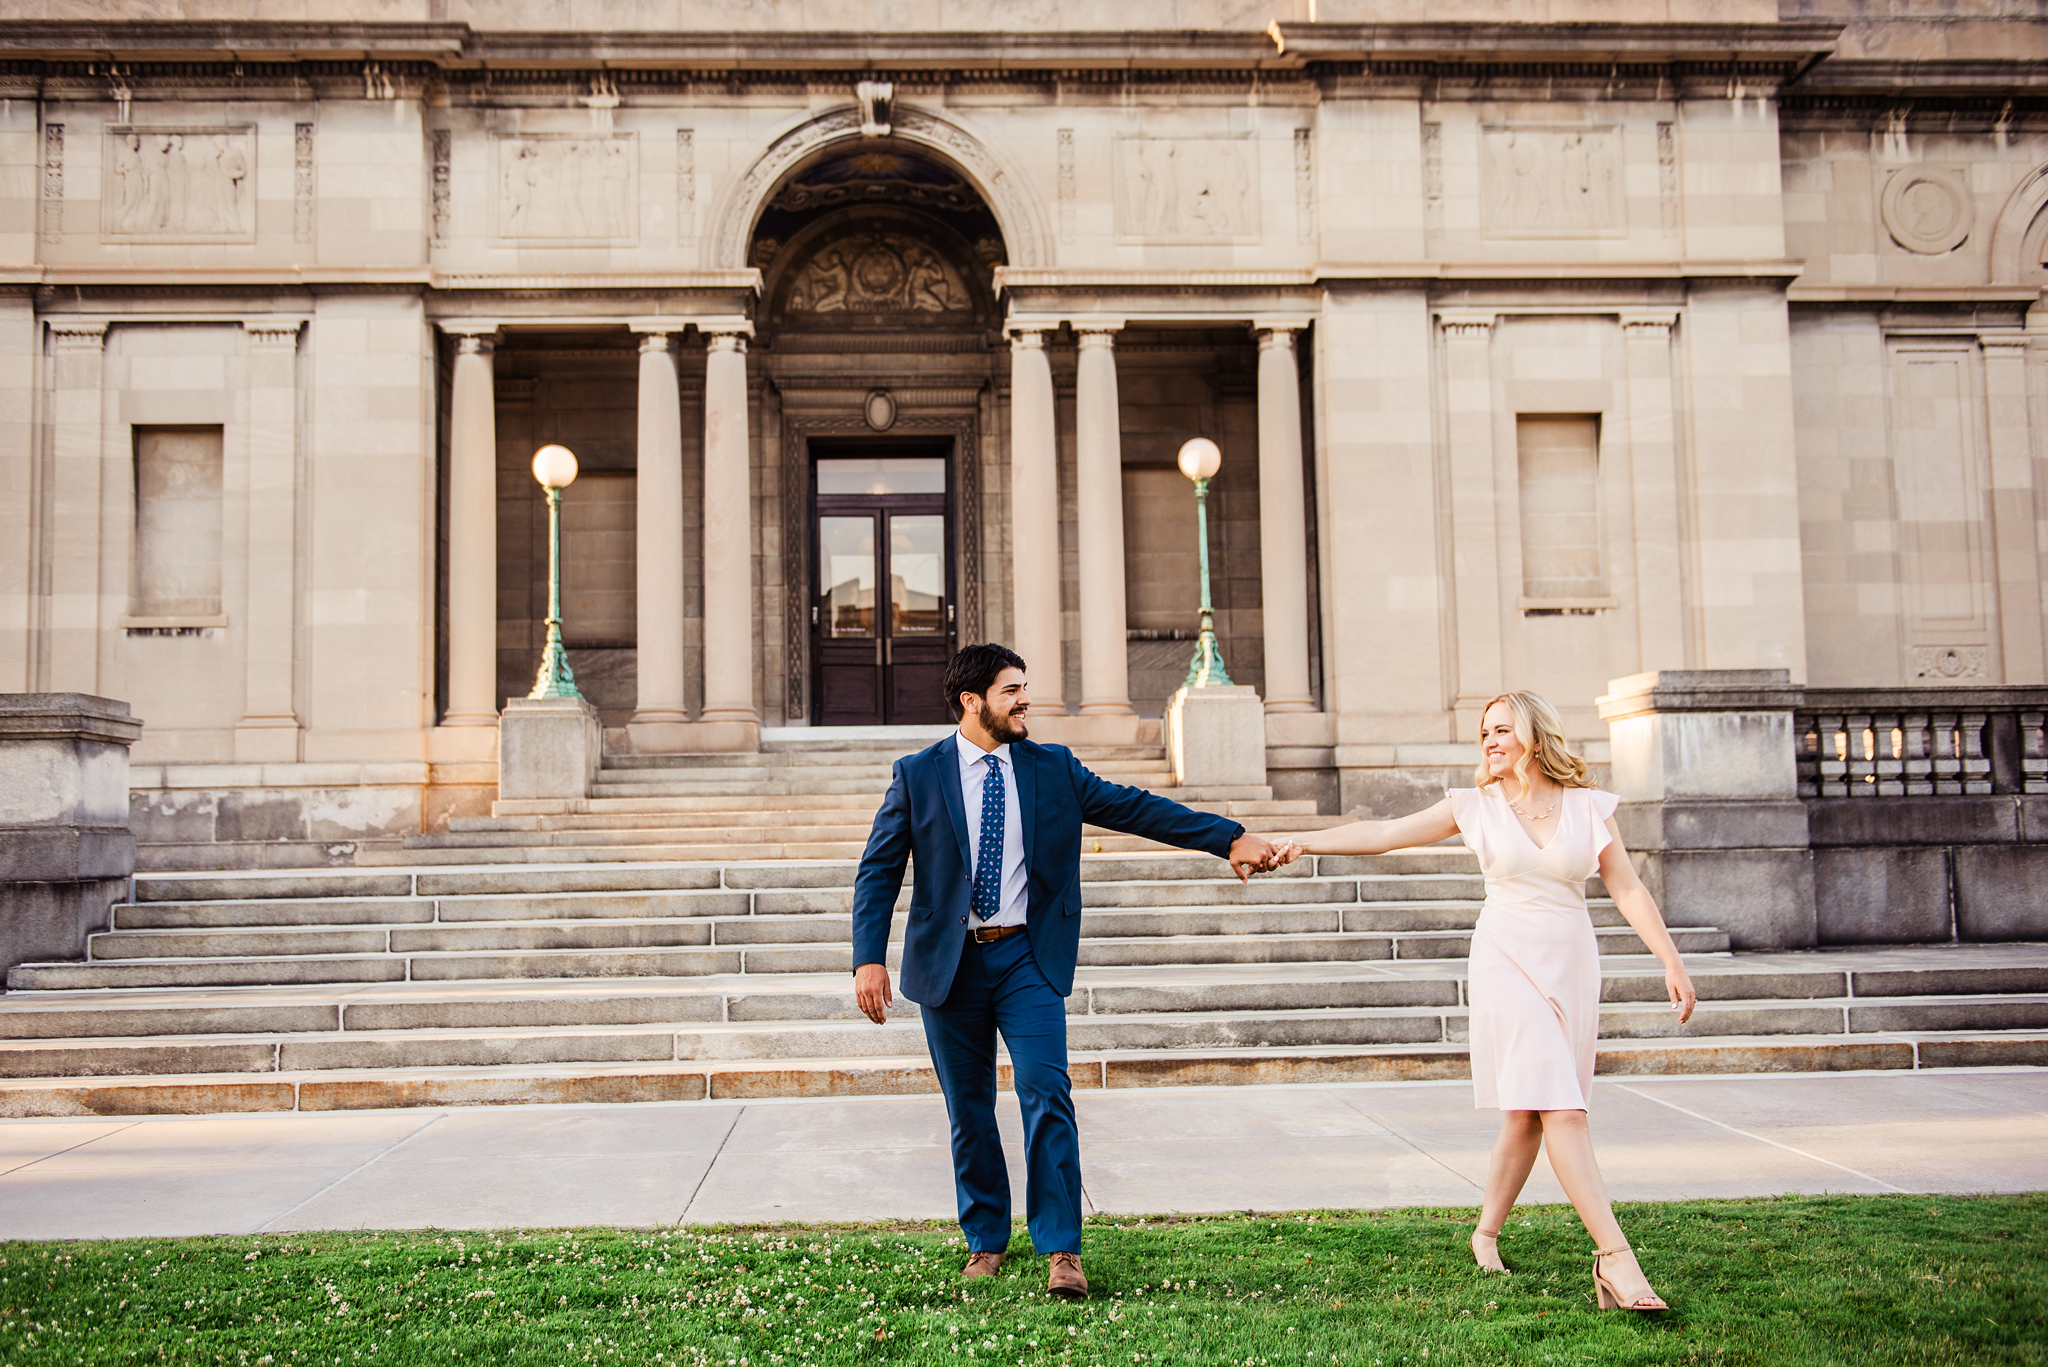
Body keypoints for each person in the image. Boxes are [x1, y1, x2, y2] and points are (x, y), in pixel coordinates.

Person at [851, 643, 1282, 1300]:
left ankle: (1060, 1248)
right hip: (951, 964)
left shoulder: (1052, 767)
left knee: (1047, 1092)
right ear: (972, 700)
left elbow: (1137, 808)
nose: (1026, 700)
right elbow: (879, 869)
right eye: (1011, 690)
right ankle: (986, 1239)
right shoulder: (918, 774)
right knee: (968, 1109)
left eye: (1025, 687)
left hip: (1027, 955)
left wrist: (1227, 836)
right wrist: (868, 957)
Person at [1270, 689, 1696, 1313]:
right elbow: (1386, 833)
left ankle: (1486, 1232)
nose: (1490, 742)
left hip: (1572, 964)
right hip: (1506, 961)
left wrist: (1671, 959)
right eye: (1484, 733)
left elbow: (1627, 887)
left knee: (1527, 1113)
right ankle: (1616, 1260)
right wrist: (1310, 842)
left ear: (1532, 735)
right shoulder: (1475, 807)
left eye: (1501, 730)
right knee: (1564, 1111)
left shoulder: (1587, 809)